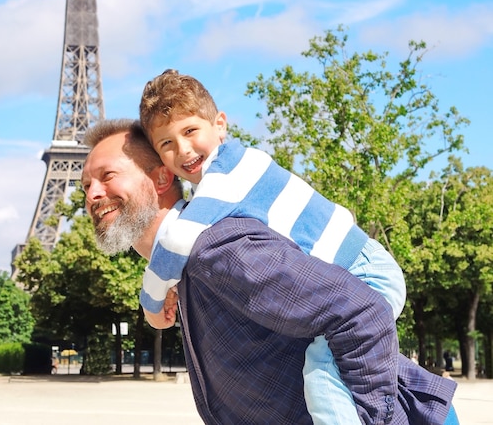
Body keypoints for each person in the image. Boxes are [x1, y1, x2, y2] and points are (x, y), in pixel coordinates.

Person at [81, 119, 459, 425]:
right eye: (85, 185)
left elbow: (363, 312)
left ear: (162, 178)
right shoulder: (185, 270)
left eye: (108, 175)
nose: (92, 194)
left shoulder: (212, 248)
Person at [138, 69, 406, 424]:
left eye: (190, 131)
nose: (183, 149)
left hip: (363, 272)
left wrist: (151, 302)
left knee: (323, 382)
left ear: (220, 124)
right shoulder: (222, 181)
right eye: (166, 144)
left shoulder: (228, 172)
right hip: (353, 271)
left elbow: (177, 239)